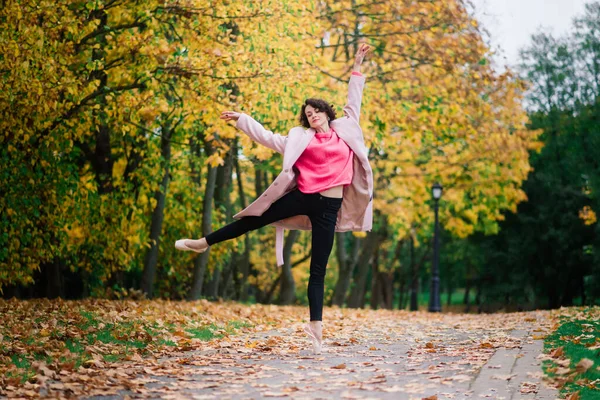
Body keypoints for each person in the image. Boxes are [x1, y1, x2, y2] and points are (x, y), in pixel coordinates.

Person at [176, 44, 374, 354]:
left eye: (316, 111)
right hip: (304, 198)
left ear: (326, 112)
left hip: (330, 207)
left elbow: (354, 100)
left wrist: (358, 63)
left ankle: (316, 336)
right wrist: (243, 119)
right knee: (253, 220)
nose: (312, 117)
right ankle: (203, 243)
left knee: (317, 269)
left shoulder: (345, 129)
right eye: (308, 115)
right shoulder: (300, 138)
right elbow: (267, 137)